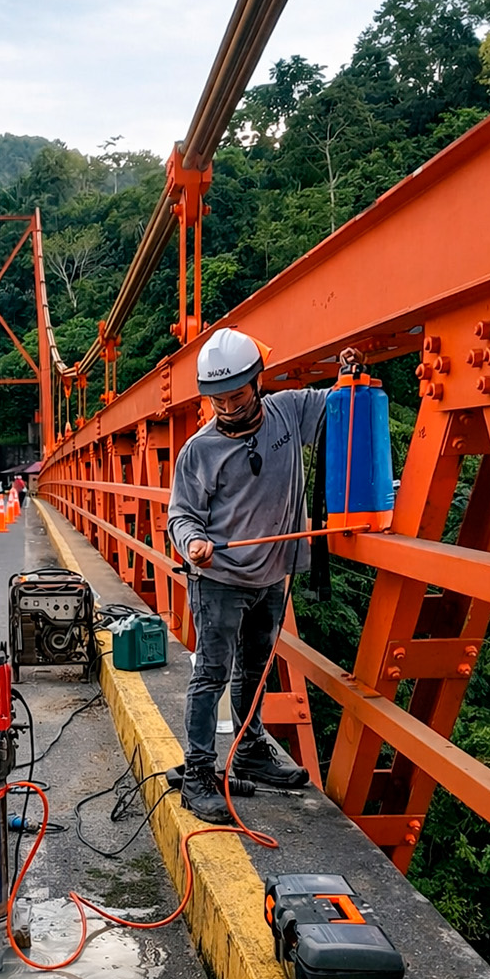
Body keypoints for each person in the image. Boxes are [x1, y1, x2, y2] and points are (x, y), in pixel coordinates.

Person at [167, 328, 327, 821]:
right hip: (219, 578)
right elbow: (181, 515)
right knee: (211, 673)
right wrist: (192, 544)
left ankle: (251, 750)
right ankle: (197, 772)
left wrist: (350, 375)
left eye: (236, 396)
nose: (228, 408)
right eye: (217, 400)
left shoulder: (289, 411)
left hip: (272, 574)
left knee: (256, 669)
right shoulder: (199, 449)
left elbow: (344, 408)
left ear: (257, 382)